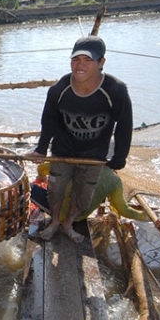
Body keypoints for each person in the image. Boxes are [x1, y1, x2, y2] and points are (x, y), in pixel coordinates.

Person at [27, 35, 133, 244]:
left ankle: (69, 224)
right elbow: (48, 121)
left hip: (93, 155)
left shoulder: (116, 90)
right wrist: (41, 149)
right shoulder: (59, 90)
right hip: (63, 151)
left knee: (83, 196)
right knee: (55, 191)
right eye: (76, 59)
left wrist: (120, 156)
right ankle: (56, 222)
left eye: (88, 60)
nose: (80, 65)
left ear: (101, 62)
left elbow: (125, 125)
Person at [30, 162, 149, 223]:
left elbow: (41, 168)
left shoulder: (78, 161)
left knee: (28, 186)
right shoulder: (115, 181)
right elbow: (124, 210)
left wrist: (42, 177)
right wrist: (145, 216)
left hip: (61, 214)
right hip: (80, 216)